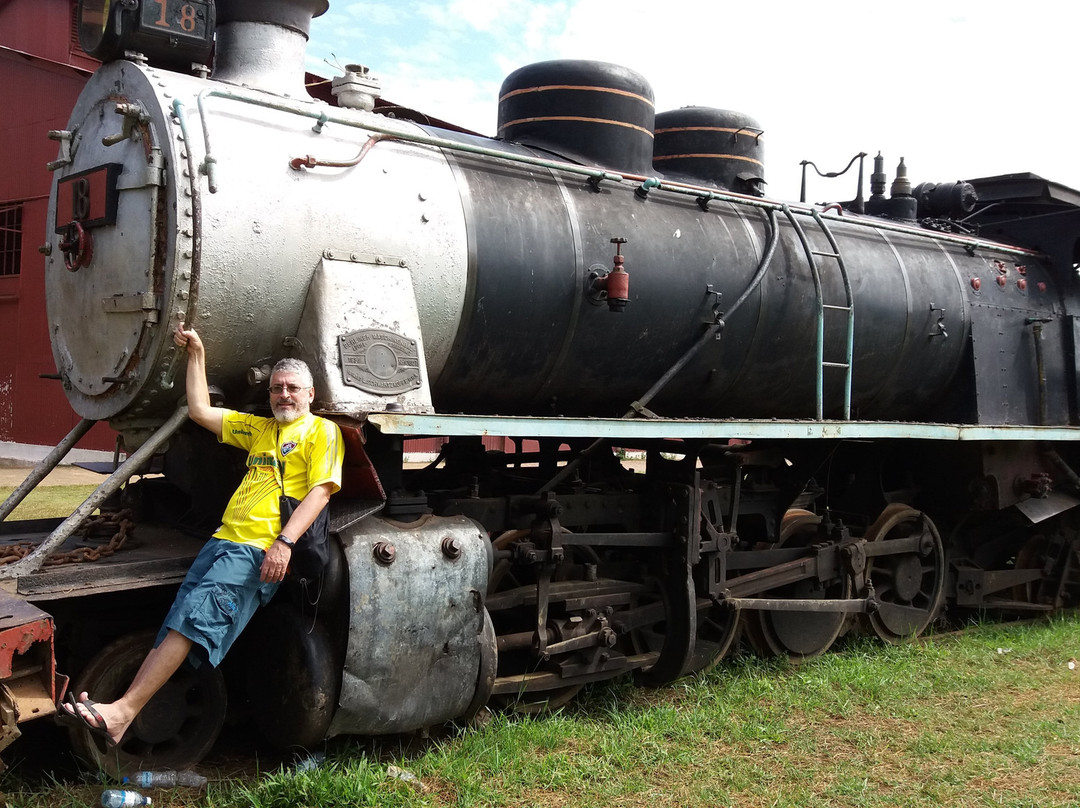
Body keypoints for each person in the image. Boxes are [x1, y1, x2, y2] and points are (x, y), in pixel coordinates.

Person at [60, 324, 344, 747]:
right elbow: (199, 410)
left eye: (292, 389)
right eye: (276, 388)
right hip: (222, 542)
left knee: (192, 625)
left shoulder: (321, 432)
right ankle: (120, 714)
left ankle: (123, 711)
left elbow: (321, 492)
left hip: (255, 551)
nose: (283, 395)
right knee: (177, 625)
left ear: (310, 394)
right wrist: (197, 354)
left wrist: (283, 543)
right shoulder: (260, 430)